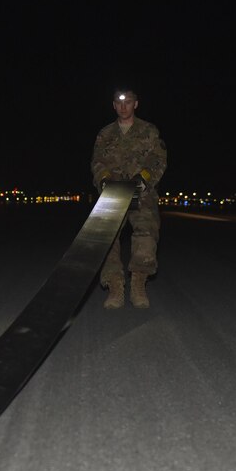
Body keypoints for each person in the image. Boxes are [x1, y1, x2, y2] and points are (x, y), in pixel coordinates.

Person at [91, 88, 167, 309]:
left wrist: (144, 179)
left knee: (147, 232)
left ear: (136, 104)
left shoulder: (149, 131)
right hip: (113, 192)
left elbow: (158, 159)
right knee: (107, 238)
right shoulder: (105, 134)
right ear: (114, 105)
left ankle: (138, 283)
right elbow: (97, 161)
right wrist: (104, 179)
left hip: (141, 191)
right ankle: (115, 286)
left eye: (128, 102)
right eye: (118, 102)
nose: (123, 106)